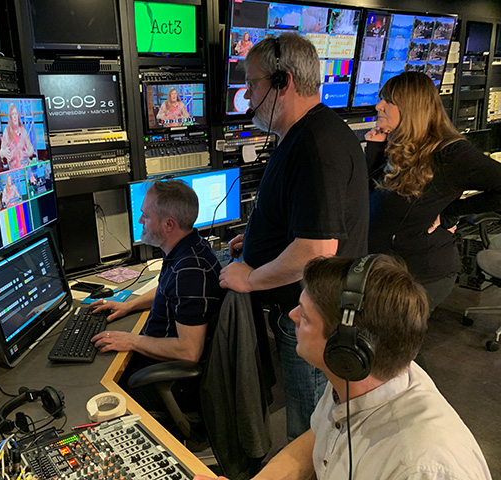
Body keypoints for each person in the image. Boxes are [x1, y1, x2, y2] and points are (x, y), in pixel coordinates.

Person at [196, 255, 492, 480]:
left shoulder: (421, 467)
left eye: (307, 316)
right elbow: (315, 442)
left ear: (347, 349)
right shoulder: (355, 378)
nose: (293, 315)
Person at [218, 33, 369, 442]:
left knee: (311, 430)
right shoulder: (303, 134)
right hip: (301, 311)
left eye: (251, 84)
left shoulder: (317, 146)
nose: (246, 96)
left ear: (282, 82)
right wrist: (252, 240)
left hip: (313, 317)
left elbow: (316, 250)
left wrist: (249, 277)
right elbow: (299, 220)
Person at [365, 71, 501, 311]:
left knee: (389, 345)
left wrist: (452, 212)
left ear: (410, 108)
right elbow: (371, 197)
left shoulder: (453, 154)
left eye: (388, 100)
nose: (379, 105)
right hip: (385, 267)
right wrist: (375, 150)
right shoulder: (400, 144)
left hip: (420, 274)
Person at [90, 180, 223, 406]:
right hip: (154, 360)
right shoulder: (188, 249)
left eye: (146, 216)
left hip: (168, 381)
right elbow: (167, 290)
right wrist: (129, 306)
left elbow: (189, 351)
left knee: (90, 389)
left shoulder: (190, 272)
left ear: (168, 224)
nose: (140, 221)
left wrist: (132, 341)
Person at [0, 103, 35, 170]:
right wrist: (4, 152)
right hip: (14, 169)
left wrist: (28, 153)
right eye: (13, 114)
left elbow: (31, 148)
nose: (15, 116)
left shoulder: (23, 130)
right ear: (10, 117)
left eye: (16, 114)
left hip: (25, 166)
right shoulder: (7, 131)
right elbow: (1, 152)